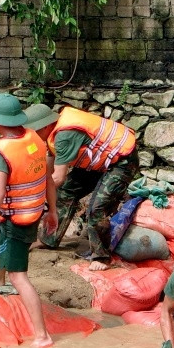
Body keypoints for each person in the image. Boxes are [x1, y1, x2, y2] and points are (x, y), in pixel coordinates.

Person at [0, 92, 58, 347]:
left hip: (16, 218)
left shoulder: (1, 152)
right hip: (32, 211)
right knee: (0, 236)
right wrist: (52, 210)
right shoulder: (34, 139)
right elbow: (47, 178)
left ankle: (42, 336)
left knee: (19, 276)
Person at [45, 103, 140, 258]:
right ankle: (49, 239)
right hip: (100, 160)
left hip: (122, 160)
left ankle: (101, 256)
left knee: (96, 208)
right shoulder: (52, 133)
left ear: (43, 127)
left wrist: (32, 195)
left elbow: (58, 177)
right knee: (66, 191)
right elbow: (49, 172)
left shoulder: (64, 136)